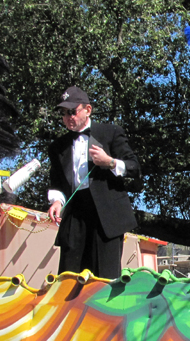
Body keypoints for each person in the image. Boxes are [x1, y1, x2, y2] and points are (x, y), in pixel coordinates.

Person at [47, 86, 140, 278]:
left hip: (106, 216)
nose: (68, 117)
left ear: (87, 110)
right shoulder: (57, 147)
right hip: (75, 216)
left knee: (105, 278)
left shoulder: (110, 133)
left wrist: (110, 162)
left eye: (72, 112)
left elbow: (135, 168)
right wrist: (57, 201)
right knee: (68, 277)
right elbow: (56, 182)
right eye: (63, 114)